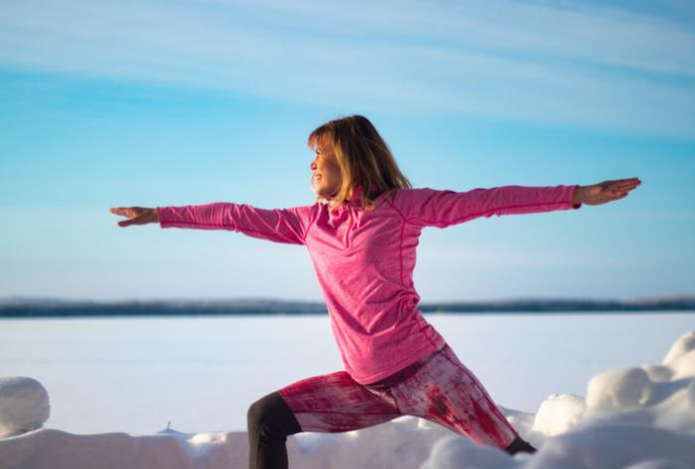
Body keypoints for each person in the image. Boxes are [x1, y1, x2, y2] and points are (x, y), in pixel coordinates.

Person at [110, 115, 641, 469]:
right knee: (266, 417)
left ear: (349, 156)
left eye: (320, 153)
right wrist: (161, 215)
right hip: (365, 384)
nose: (311, 164)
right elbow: (236, 216)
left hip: (430, 374)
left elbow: (486, 200)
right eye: (311, 156)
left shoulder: (402, 207)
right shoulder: (308, 223)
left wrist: (575, 194)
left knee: (516, 457)